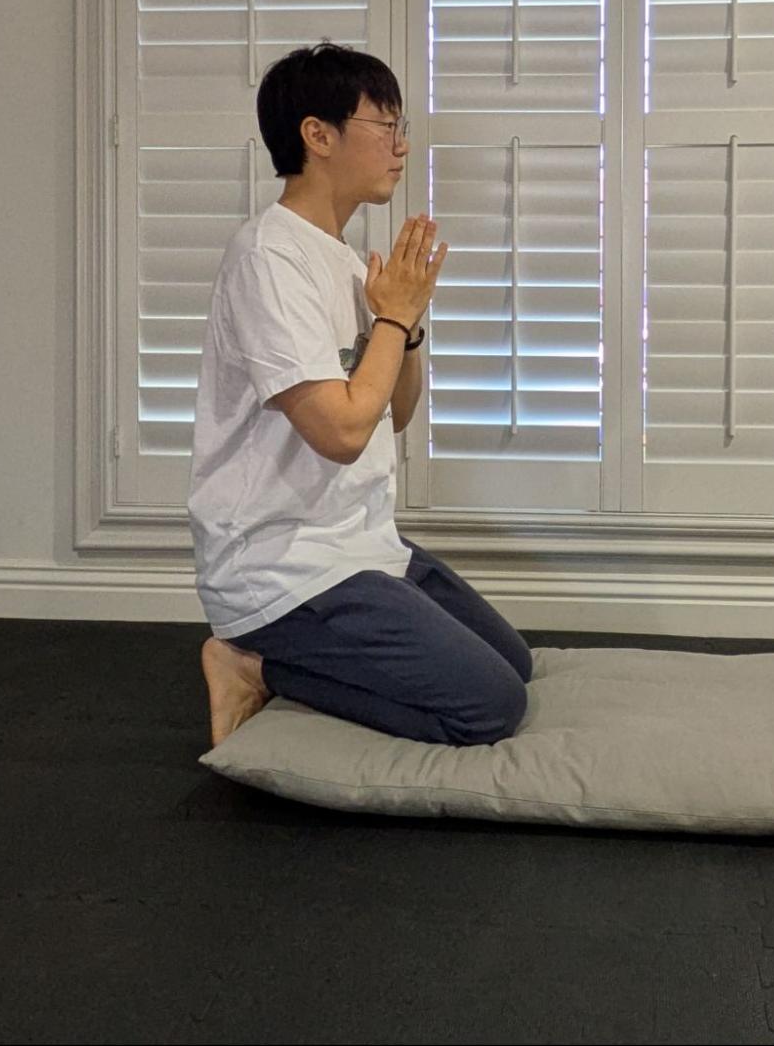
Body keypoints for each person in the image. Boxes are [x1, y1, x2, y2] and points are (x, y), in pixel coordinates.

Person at [189, 42, 535, 749]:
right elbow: (341, 433)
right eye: (385, 125)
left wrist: (406, 323)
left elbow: (394, 414)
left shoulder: (348, 262)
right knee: (489, 708)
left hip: (361, 541)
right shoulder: (269, 257)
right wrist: (394, 319)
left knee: (516, 666)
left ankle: (285, 660)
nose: (400, 146)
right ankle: (252, 663)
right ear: (318, 135)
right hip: (283, 564)